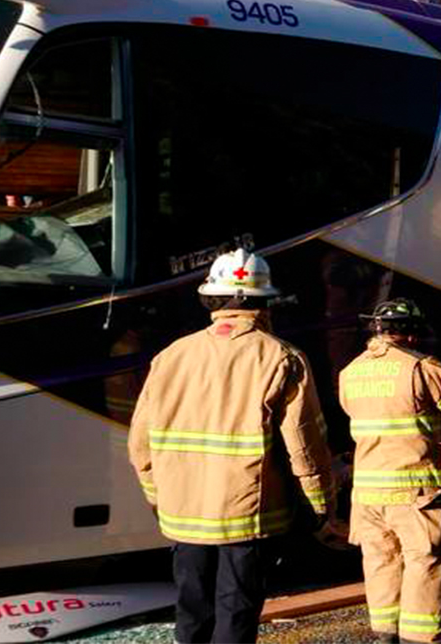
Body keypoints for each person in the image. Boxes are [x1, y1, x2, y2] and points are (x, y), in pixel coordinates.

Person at [128, 248, 336, 644]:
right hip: (248, 517)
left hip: (183, 515)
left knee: (191, 611)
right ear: (263, 301)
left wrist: (160, 497)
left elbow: (140, 444)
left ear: (212, 299)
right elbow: (305, 445)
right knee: (236, 612)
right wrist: (318, 505)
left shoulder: (171, 355)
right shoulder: (281, 357)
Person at [339, 298, 441, 644]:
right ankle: (420, 637)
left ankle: (385, 634)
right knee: (424, 562)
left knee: (381, 561)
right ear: (412, 335)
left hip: (366, 493)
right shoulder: (420, 367)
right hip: (414, 489)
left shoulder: (350, 371)